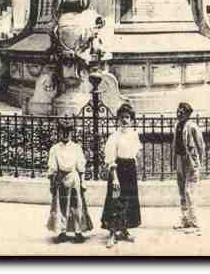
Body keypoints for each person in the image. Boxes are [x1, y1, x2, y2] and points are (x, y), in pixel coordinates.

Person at [102, 102, 142, 246]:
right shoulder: (114, 137)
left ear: (132, 120)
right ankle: (112, 233)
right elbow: (111, 160)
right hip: (118, 171)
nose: (125, 120)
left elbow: (136, 153)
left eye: (127, 117)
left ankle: (124, 230)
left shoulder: (134, 135)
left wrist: (136, 166)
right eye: (122, 117)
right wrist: (115, 178)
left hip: (130, 171)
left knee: (128, 201)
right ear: (118, 119)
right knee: (115, 201)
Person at [46, 122, 93, 244]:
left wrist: (82, 182)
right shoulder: (55, 149)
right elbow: (52, 167)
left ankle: (78, 231)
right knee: (62, 205)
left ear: (72, 133)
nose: (66, 134)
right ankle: (62, 231)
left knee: (77, 205)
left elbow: (80, 166)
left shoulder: (76, 148)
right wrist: (52, 183)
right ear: (59, 133)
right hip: (61, 178)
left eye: (68, 132)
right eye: (63, 131)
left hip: (74, 177)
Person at [172, 102, 205, 234]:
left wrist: (198, 163)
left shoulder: (192, 126)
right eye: (178, 111)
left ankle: (195, 223)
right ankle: (185, 219)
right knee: (181, 191)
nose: (179, 113)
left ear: (187, 114)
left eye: (182, 112)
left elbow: (201, 145)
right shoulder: (177, 125)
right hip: (180, 159)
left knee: (189, 191)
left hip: (190, 161)